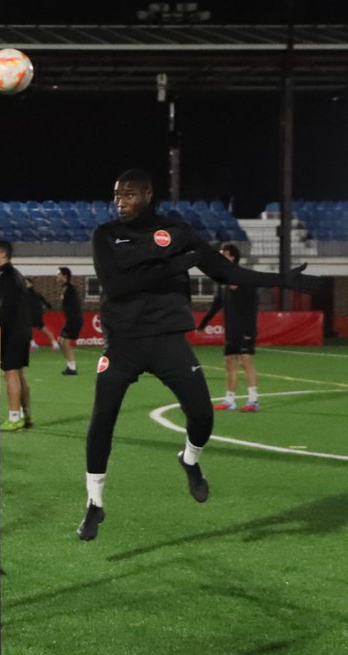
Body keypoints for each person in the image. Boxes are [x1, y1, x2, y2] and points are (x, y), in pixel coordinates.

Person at [77, 169, 321, 541]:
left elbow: (223, 270)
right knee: (102, 419)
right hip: (122, 343)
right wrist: (174, 265)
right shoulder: (106, 235)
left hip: (167, 342)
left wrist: (280, 279)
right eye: (116, 195)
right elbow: (117, 286)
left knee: (203, 415)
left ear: (147, 194)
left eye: (128, 194)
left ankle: (189, 459)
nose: (120, 201)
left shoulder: (177, 231)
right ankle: (94, 504)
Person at [197, 243, 260, 412]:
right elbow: (216, 304)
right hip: (231, 329)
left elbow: (253, 304)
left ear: (233, 257)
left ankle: (253, 401)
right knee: (230, 363)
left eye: (225, 254)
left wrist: (249, 330)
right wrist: (203, 324)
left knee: (246, 361)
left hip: (245, 329)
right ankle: (230, 400)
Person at [0, 240, 34, 431]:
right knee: (18, 374)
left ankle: (14, 417)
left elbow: (5, 310)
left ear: (3, 254)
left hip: (12, 333)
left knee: (10, 374)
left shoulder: (7, 278)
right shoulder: (15, 276)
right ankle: (25, 415)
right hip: (21, 332)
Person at [56, 267, 83, 375]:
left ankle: (72, 368)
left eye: (59, 275)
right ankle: (70, 365)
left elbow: (75, 306)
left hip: (74, 319)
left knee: (64, 342)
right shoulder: (65, 288)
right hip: (71, 319)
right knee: (60, 341)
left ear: (65, 276)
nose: (56, 277)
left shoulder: (70, 289)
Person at [26, 284, 59, 351]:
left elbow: (43, 301)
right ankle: (54, 343)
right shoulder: (24, 294)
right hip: (31, 315)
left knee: (29, 328)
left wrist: (48, 305)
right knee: (27, 329)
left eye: (27, 283)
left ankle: (54, 343)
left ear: (31, 284)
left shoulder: (34, 294)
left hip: (35, 315)